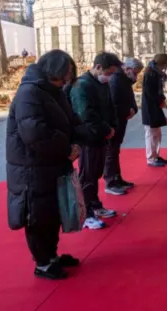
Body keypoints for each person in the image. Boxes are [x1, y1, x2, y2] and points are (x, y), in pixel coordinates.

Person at [6, 50, 90, 279]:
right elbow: (35, 134)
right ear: (54, 70)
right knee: (38, 216)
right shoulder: (29, 93)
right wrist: (67, 148)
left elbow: (72, 121)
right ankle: (42, 263)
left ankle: (51, 256)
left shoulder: (54, 92)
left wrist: (78, 141)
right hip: (31, 169)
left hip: (51, 164)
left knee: (52, 214)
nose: (67, 79)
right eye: (66, 74)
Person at [69, 52, 123, 230]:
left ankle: (95, 204)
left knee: (96, 172)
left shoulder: (101, 84)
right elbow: (85, 114)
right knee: (88, 175)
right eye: (108, 72)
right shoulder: (82, 85)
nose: (109, 77)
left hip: (101, 135)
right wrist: (105, 129)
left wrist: (112, 127)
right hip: (88, 137)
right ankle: (86, 213)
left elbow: (110, 105)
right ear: (98, 67)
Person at [103, 57, 142, 191]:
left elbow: (129, 97)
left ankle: (117, 178)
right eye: (135, 72)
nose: (136, 76)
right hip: (115, 120)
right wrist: (127, 110)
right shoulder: (116, 79)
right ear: (128, 68)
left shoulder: (124, 79)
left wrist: (134, 109)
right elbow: (114, 102)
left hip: (121, 119)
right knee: (111, 151)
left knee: (115, 150)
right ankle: (110, 181)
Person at [141, 54, 167, 167]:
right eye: (165, 65)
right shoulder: (150, 73)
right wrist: (161, 99)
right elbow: (150, 92)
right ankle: (151, 158)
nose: (165, 68)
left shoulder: (155, 73)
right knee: (151, 133)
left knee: (157, 133)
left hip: (155, 105)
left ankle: (156, 155)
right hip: (150, 107)